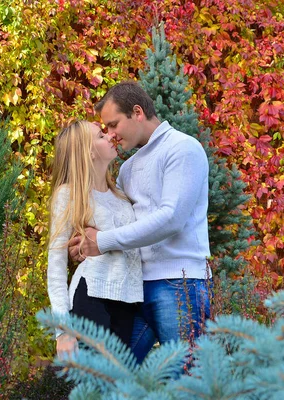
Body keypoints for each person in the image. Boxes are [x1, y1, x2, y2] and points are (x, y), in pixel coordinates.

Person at [68, 81, 211, 363]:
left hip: (179, 284)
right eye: (105, 129)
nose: (110, 135)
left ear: (137, 112)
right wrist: (84, 243)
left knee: (188, 378)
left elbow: (171, 218)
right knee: (112, 375)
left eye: (113, 124)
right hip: (133, 289)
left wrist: (103, 241)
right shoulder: (128, 168)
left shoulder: (183, 149)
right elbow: (120, 223)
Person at [46, 120, 142, 359]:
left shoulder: (121, 195)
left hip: (128, 301)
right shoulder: (69, 194)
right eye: (101, 135)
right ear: (88, 152)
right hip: (92, 296)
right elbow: (55, 265)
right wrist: (63, 331)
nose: (110, 136)